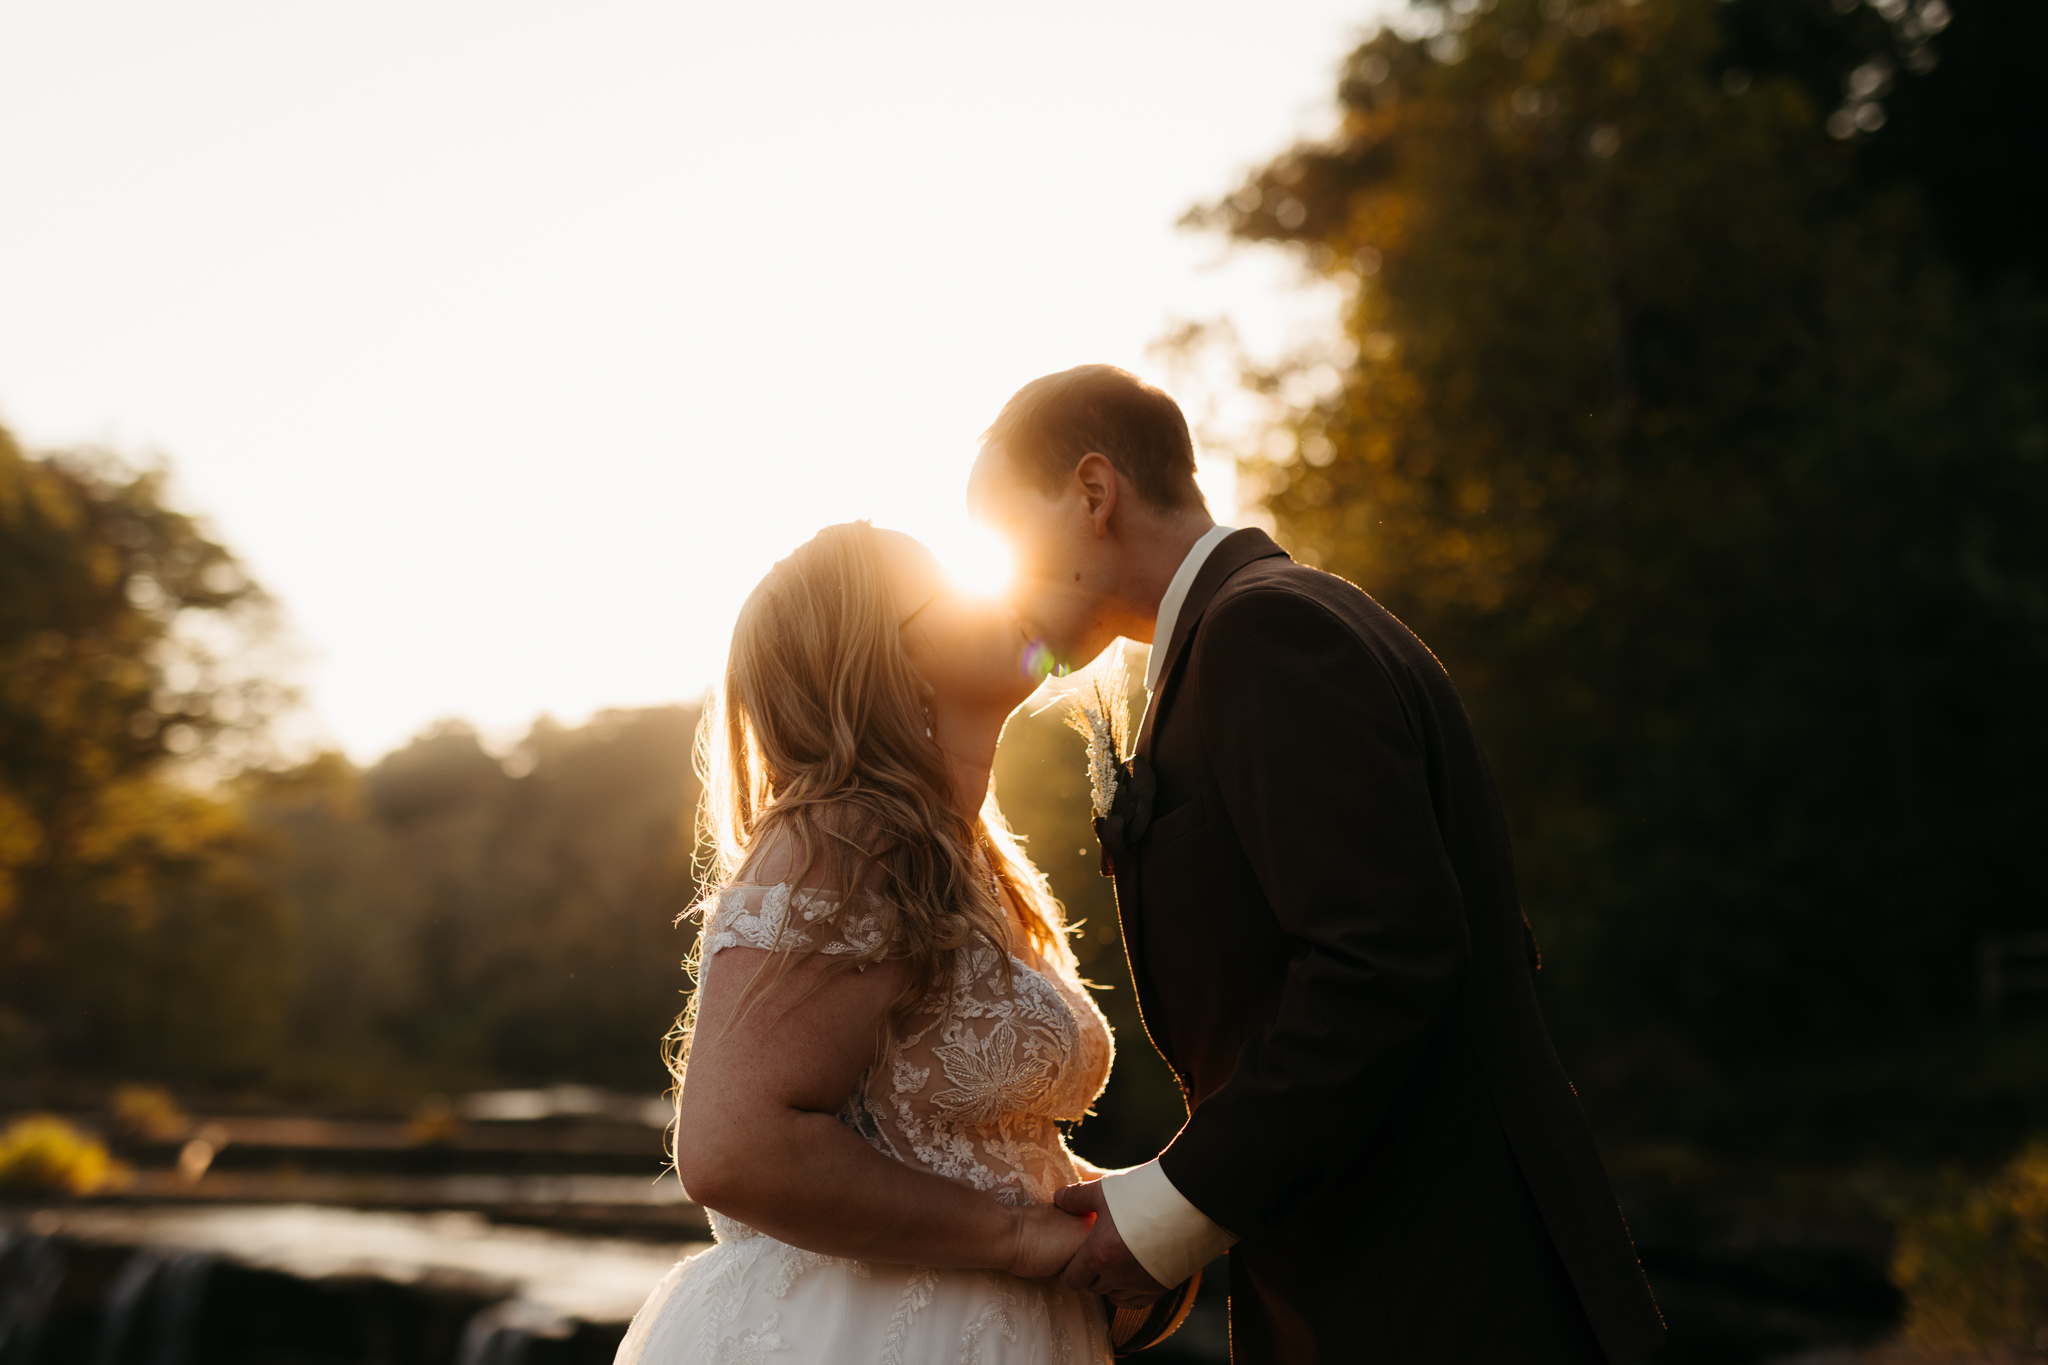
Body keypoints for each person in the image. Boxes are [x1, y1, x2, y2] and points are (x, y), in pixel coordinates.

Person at [969, 365, 1669, 1363]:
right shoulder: (1253, 631)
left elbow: (1383, 956)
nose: (996, 581)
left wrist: (1172, 1210)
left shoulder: (1265, 634)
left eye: (999, 538)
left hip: (1443, 1290)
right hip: (1396, 1270)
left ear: (1093, 493)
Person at [613, 522, 1118, 1365]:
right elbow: (734, 1148)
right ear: (884, 655)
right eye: (951, 589)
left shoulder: (972, 857)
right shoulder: (850, 835)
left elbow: (967, 1138)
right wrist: (1025, 1240)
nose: (995, 601)